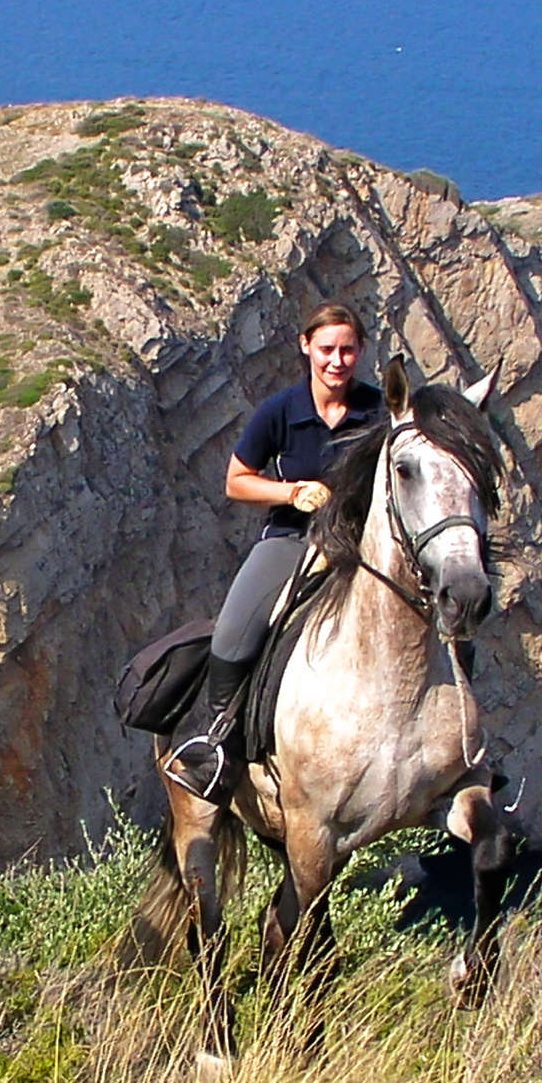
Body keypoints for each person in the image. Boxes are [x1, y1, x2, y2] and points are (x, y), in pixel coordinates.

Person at [162, 302, 384, 802]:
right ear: (306, 347)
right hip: (292, 538)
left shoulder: (377, 412)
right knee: (234, 635)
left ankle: (460, 746)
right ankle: (220, 746)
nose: (337, 361)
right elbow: (236, 482)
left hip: (361, 542)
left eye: (348, 350)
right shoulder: (280, 411)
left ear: (361, 351)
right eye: (327, 349)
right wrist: (290, 493)